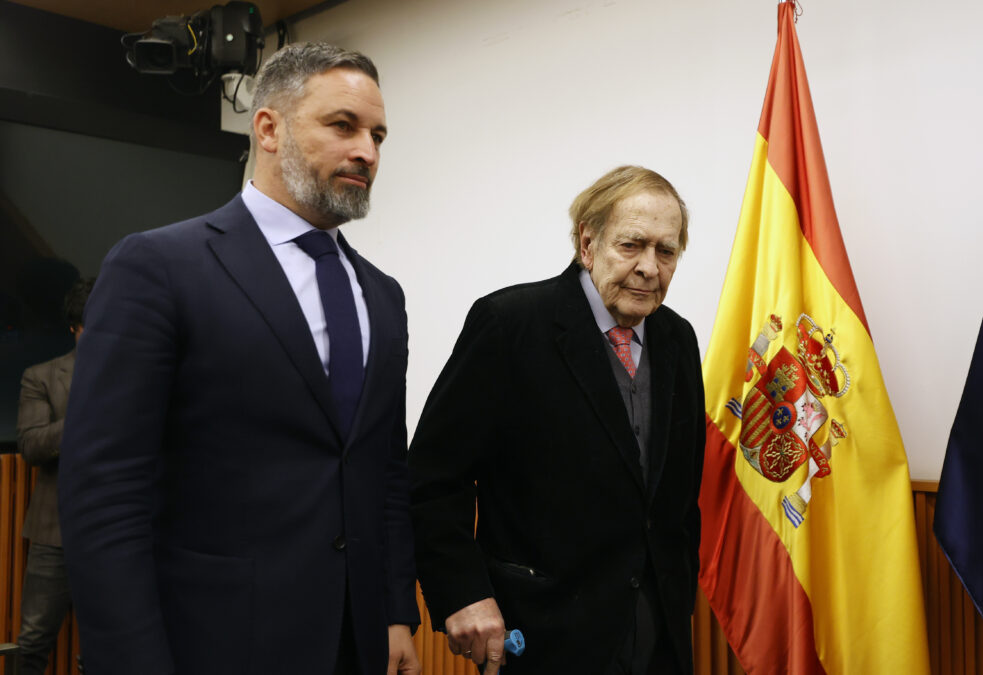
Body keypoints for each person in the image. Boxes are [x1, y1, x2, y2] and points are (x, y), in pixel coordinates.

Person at [57, 42, 420, 675]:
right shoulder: (159, 267)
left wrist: (394, 613)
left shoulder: (382, 297)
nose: (367, 151)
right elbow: (106, 495)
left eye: (377, 135)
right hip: (213, 644)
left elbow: (383, 470)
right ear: (269, 127)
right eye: (343, 126)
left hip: (356, 645)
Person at [409, 166, 706, 675]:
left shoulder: (679, 339)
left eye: (666, 250)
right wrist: (463, 592)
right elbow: (433, 479)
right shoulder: (510, 324)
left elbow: (674, 502)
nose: (649, 268)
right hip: (543, 638)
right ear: (587, 244)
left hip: (660, 639)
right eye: (632, 245)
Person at [15, 278, 92, 675]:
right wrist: (89, 411)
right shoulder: (41, 376)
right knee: (32, 642)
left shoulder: (141, 374)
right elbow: (30, 446)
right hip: (54, 530)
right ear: (73, 328)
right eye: (88, 328)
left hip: (122, 530)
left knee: (112, 644)